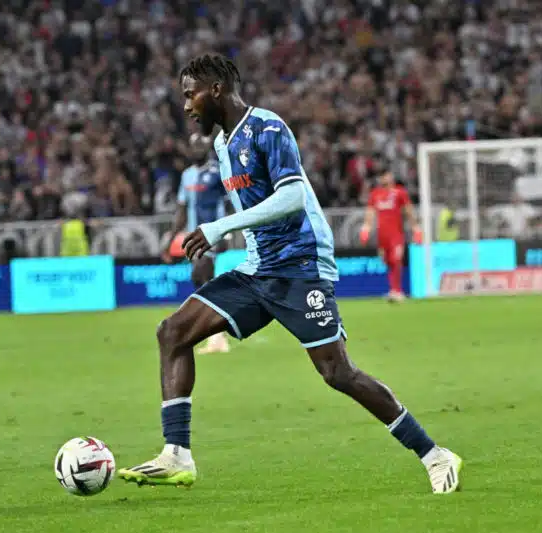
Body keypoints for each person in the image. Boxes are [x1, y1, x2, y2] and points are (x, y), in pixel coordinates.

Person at [117, 54, 462, 494]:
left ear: (216, 89)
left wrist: (219, 227)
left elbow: (295, 196)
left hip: (301, 268)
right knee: (173, 332)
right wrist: (227, 237)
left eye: (190, 94)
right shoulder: (223, 145)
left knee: (338, 374)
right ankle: (177, 454)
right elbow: (254, 208)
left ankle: (435, 455)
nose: (186, 105)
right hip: (259, 269)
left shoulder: (268, 128)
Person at [165, 132, 230, 354]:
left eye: (201, 145)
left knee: (200, 277)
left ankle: (216, 333)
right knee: (203, 282)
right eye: (194, 146)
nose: (197, 150)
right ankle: (219, 334)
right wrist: (170, 239)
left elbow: (230, 203)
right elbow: (182, 210)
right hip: (194, 237)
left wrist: (227, 234)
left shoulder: (217, 172)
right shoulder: (187, 176)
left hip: (212, 235)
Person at [360, 167, 421, 302]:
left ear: (391, 176)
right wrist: (366, 228)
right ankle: (393, 289)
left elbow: (408, 211)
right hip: (382, 235)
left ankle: (397, 291)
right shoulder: (375, 194)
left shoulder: (399, 192)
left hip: (396, 233)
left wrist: (416, 228)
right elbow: (370, 212)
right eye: (382, 176)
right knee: (387, 262)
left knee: (396, 259)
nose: (384, 179)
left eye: (386, 175)